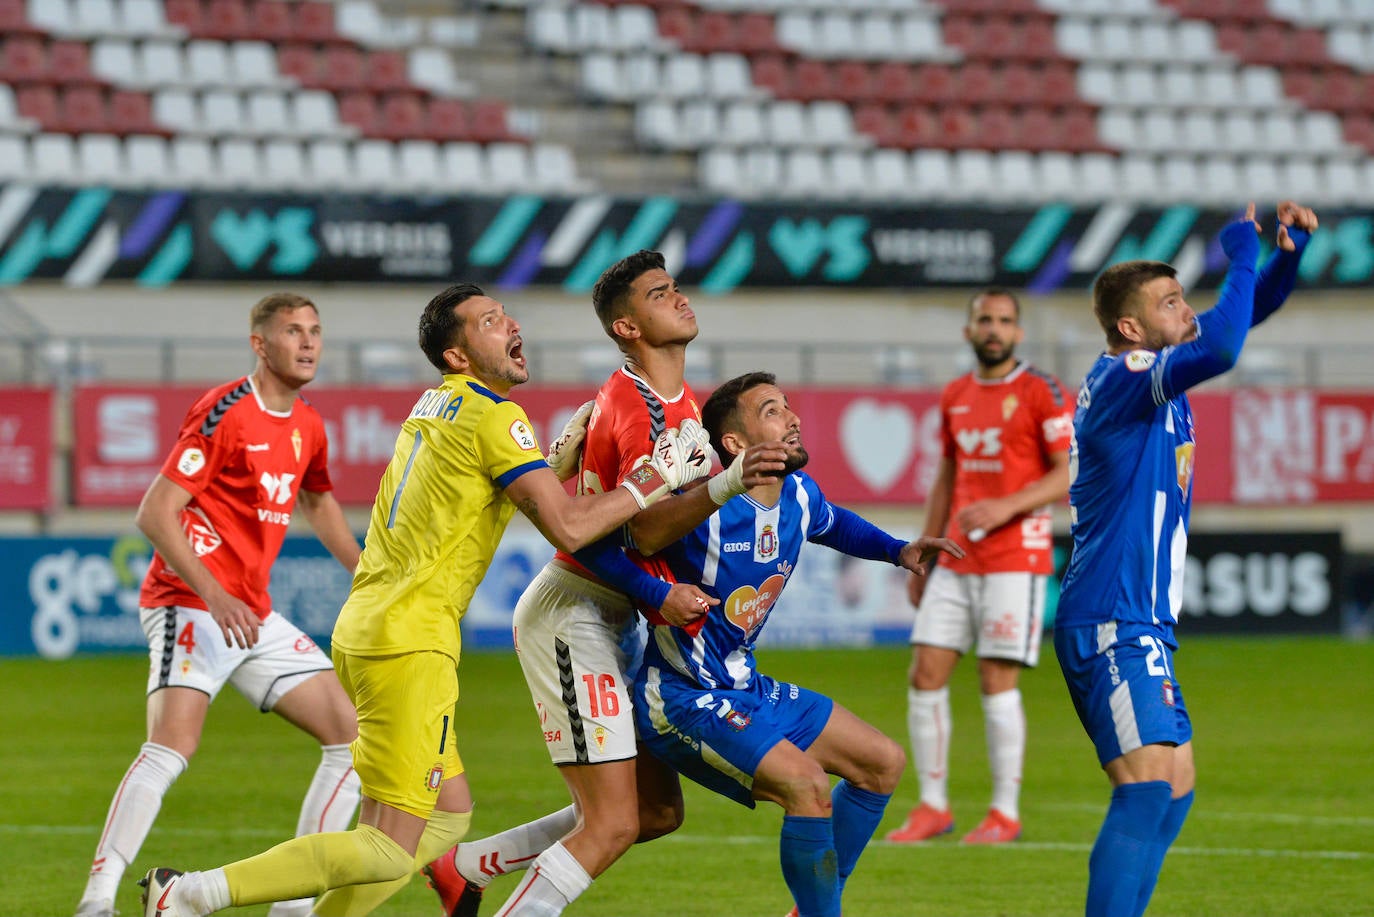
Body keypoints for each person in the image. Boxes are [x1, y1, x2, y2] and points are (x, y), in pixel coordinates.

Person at [136, 282, 713, 917]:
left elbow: (482, 494)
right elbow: (570, 527)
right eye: (490, 321)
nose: (511, 324)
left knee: (447, 820)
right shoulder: (496, 417)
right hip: (410, 641)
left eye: (504, 315)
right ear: (459, 355)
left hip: (375, 628)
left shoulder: (438, 404)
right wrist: (656, 476)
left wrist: (552, 460)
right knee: (387, 847)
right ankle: (189, 894)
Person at [423, 251, 788, 917]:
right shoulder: (632, 407)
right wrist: (657, 593)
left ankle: (467, 866)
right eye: (658, 293)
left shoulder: (685, 407)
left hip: (621, 622)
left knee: (654, 811)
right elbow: (592, 535)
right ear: (627, 327)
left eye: (675, 287)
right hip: (576, 613)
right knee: (614, 821)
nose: (678, 299)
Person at [1056, 201, 1316, 917]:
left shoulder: (1155, 369)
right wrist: (1238, 252)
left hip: (1139, 618)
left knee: (1175, 786)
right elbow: (1227, 345)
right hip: (1111, 614)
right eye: (1172, 301)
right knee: (1144, 786)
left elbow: (1242, 317)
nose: (1188, 309)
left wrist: (1283, 256)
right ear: (1131, 328)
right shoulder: (1128, 374)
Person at [631, 372, 963, 917]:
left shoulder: (800, 495)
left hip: (745, 684)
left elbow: (835, 524)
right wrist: (658, 592)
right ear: (735, 446)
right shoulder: (701, 510)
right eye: (771, 411)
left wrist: (897, 550)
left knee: (882, 763)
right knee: (807, 786)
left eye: (787, 406)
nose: (792, 418)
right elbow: (622, 544)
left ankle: (812, 908)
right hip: (684, 697)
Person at [74, 293, 363, 917]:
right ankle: (97, 899)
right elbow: (155, 513)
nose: (309, 342)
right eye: (293, 331)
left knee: (352, 737)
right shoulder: (225, 411)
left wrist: (365, 571)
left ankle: (289, 904)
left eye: (316, 330)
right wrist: (213, 592)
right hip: (189, 599)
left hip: (248, 613)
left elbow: (317, 501)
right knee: (173, 744)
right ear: (260, 344)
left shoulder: (309, 424)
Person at [886, 288, 1073, 845]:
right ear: (969, 331)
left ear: (1019, 332)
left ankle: (1004, 812)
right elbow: (946, 475)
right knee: (925, 674)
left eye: (1005, 321)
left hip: (1016, 558)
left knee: (997, 681)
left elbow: (1067, 474)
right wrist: (928, 548)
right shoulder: (956, 394)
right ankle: (933, 807)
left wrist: (1005, 506)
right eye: (984, 320)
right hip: (959, 561)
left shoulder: (1042, 391)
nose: (994, 329)